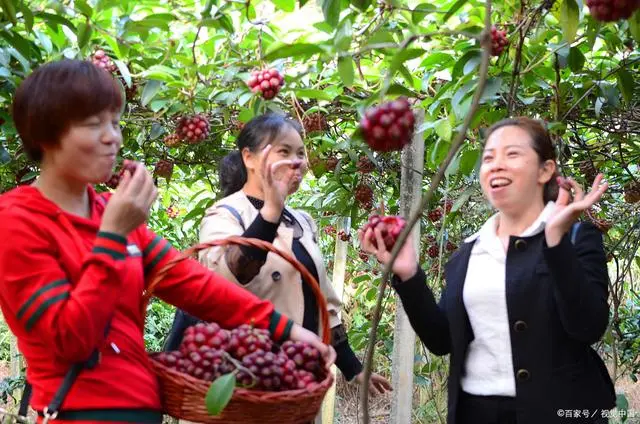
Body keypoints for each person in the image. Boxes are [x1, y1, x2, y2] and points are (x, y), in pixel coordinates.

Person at [0, 59, 335, 424]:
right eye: (94, 124)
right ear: (46, 134)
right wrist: (113, 236)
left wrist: (290, 331)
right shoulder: (17, 222)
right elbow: (70, 340)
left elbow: (197, 286)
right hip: (83, 412)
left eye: (114, 121)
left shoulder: (108, 211)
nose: (113, 136)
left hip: (144, 406)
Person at [360, 117, 616, 424]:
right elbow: (442, 340)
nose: (496, 165)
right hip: (476, 412)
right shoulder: (469, 254)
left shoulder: (577, 239)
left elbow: (588, 326)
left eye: (512, 154)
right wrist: (408, 274)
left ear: (545, 170)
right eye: (489, 158)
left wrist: (555, 242)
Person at [164, 113, 392, 395]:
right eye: (284, 151)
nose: (296, 161)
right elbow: (228, 278)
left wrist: (353, 369)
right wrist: (270, 209)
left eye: (300, 153)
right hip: (242, 380)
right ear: (249, 158)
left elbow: (323, 303)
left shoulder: (301, 221)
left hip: (295, 381)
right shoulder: (224, 215)